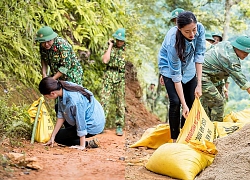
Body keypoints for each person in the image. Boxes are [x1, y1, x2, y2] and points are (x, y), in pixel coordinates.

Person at [158, 11, 206, 142]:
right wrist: (183, 105)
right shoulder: (172, 41)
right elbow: (176, 76)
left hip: (189, 67)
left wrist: (199, 84)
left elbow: (199, 56)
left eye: (194, 29)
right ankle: (175, 139)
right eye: (187, 31)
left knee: (191, 100)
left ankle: (185, 137)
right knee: (176, 102)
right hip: (169, 68)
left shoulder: (200, 29)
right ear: (179, 29)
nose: (192, 34)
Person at [38, 77, 105, 150]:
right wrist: (52, 137)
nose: (47, 98)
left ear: (52, 93)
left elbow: (81, 121)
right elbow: (61, 115)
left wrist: (82, 145)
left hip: (93, 123)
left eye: (46, 96)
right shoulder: (62, 87)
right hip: (89, 114)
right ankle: (70, 135)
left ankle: (87, 143)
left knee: (59, 137)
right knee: (58, 107)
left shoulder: (74, 100)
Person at [201, 35, 250, 122]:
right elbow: (243, 81)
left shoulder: (227, 44)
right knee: (218, 102)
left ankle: (209, 127)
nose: (246, 55)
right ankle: (217, 129)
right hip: (202, 76)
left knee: (210, 103)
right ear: (237, 48)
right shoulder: (231, 60)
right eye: (245, 52)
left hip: (213, 77)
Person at [101, 28, 126, 136]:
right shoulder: (111, 48)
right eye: (117, 40)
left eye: (121, 40)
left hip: (120, 78)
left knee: (119, 103)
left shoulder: (126, 50)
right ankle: (101, 124)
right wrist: (110, 46)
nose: (119, 42)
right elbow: (105, 60)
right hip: (109, 75)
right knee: (104, 101)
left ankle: (119, 126)